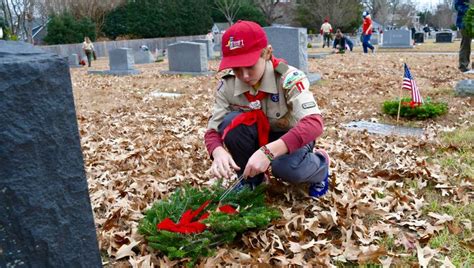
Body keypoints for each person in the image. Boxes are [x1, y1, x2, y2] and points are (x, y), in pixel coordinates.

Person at [204, 20, 330, 198]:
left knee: (285, 168)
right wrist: (217, 151)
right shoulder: (228, 85)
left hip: (291, 137)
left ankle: (321, 166)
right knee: (229, 123)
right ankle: (252, 181)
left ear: (267, 53)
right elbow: (212, 130)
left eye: (250, 66)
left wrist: (269, 152)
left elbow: (314, 124)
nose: (244, 76)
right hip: (256, 135)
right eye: (237, 69)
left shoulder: (289, 78)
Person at [455, 0, 472, 72]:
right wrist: (469, 10)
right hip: (465, 22)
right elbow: (458, 6)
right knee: (466, 44)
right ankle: (463, 65)